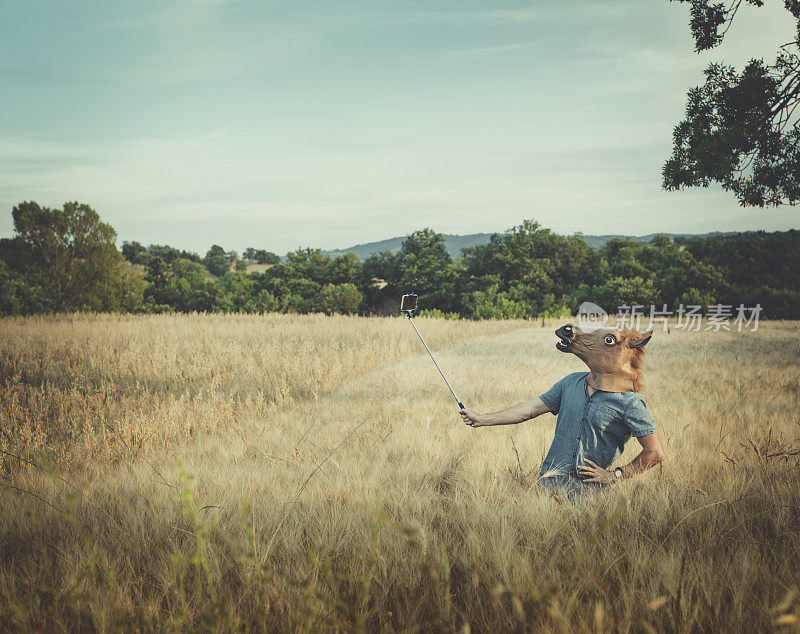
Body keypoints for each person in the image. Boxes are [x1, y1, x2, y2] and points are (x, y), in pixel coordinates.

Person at [458, 323, 667, 499]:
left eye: (609, 341)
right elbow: (530, 409)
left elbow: (655, 452)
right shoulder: (571, 383)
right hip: (547, 488)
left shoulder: (630, 403)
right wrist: (482, 419)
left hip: (589, 497)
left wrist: (615, 475)